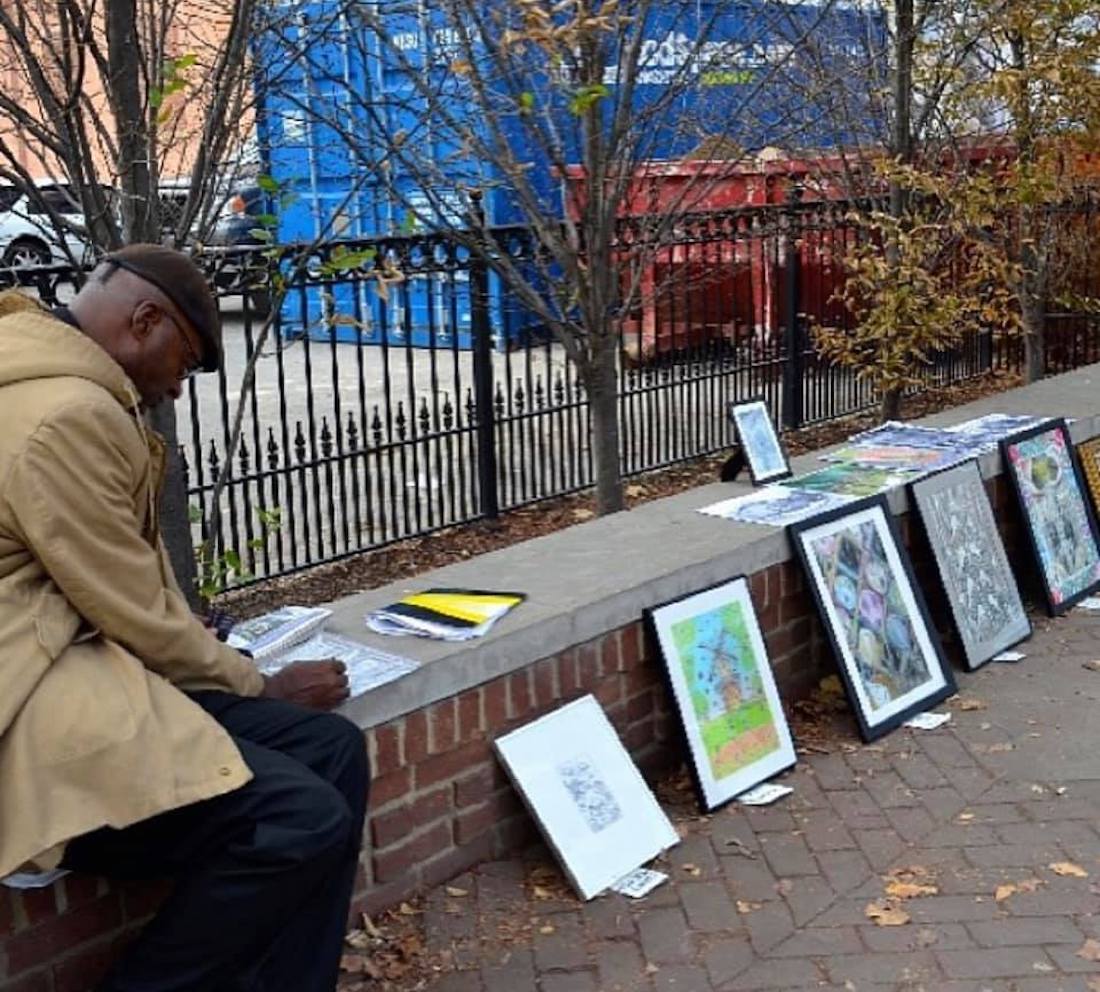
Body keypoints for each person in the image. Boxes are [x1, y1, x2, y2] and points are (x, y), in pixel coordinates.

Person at [0, 244, 370, 992]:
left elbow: (116, 581)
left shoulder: (59, 382)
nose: (180, 385)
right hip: (31, 702)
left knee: (332, 751)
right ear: (145, 321)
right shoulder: (65, 414)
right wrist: (260, 686)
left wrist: (187, 631)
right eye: (190, 361)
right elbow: (128, 610)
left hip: (88, 661)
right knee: (299, 819)